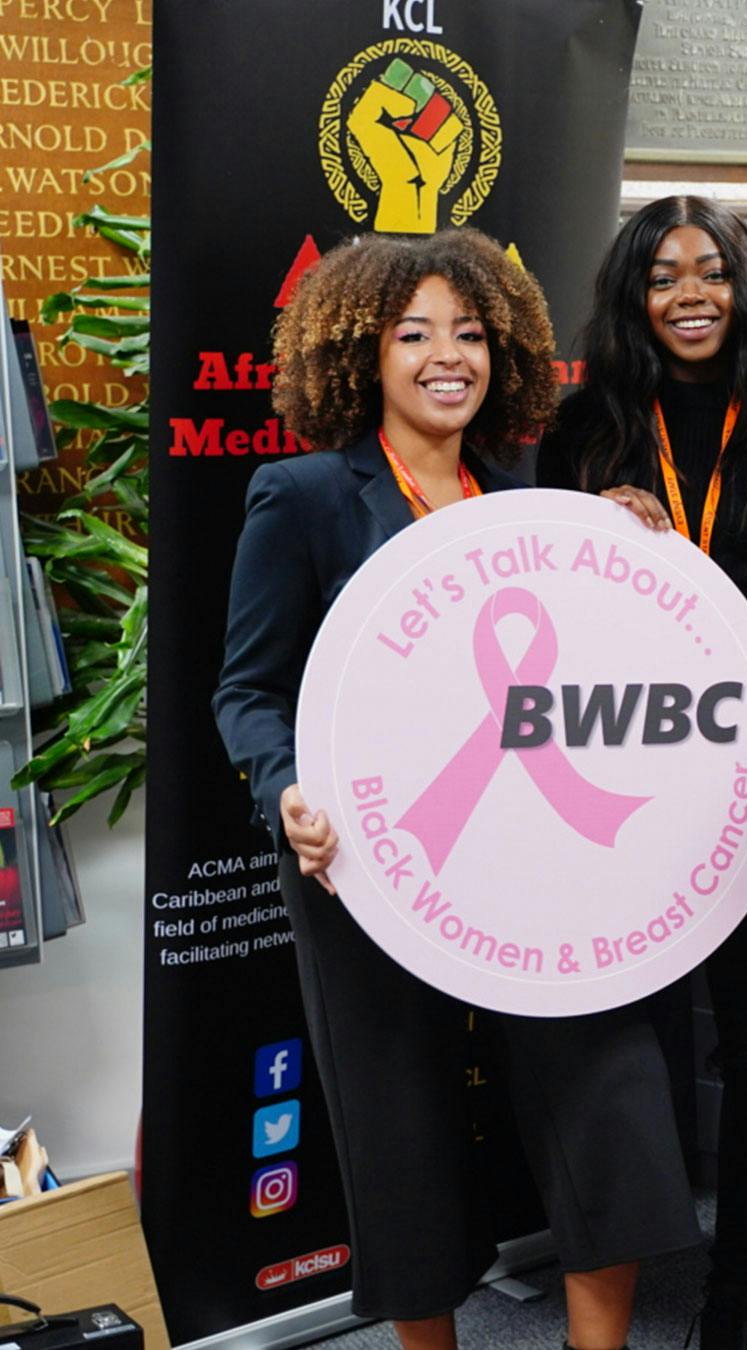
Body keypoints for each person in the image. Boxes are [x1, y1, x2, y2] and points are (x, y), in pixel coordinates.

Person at [214, 230, 698, 1350]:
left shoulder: (534, 492)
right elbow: (245, 691)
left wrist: (729, 699)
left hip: (544, 864)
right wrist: (285, 789)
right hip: (370, 865)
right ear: (361, 354)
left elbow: (611, 674)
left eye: (470, 335)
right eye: (414, 334)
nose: (448, 357)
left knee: (605, 1100)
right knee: (400, 1129)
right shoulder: (302, 498)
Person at [538, 195, 747, 1350]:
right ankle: (626, 1279)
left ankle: (734, 1297)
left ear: (744, 286)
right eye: (665, 273)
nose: (690, 292)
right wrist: (593, 520)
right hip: (620, 769)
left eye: (712, 271)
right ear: (634, 293)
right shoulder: (583, 430)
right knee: (633, 1030)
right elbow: (545, 608)